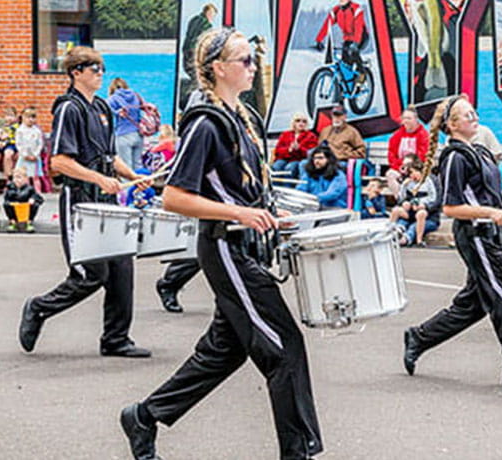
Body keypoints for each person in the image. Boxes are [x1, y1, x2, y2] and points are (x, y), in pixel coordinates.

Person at [120, 28, 324, 460]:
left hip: (246, 245)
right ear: (217, 68)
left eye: (253, 59)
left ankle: (144, 416)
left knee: (222, 353)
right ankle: (297, 452)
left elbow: (239, 188)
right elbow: (174, 196)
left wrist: (268, 213)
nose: (253, 67)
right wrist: (240, 215)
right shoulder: (206, 123)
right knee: (283, 349)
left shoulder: (242, 117)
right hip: (225, 249)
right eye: (244, 60)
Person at [401, 94, 502, 388]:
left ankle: (419, 337)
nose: (475, 118)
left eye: (473, 113)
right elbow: (451, 207)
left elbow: (482, 195)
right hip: (475, 236)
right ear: (453, 125)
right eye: (467, 115)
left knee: (472, 305)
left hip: (488, 233)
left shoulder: (479, 151)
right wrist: (492, 212)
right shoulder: (455, 157)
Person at [18, 46, 152, 359]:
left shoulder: (102, 107)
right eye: (94, 68)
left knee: (121, 267)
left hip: (106, 198)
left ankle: (116, 339)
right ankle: (38, 308)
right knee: (91, 274)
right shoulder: (69, 108)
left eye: (102, 68)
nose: (101, 73)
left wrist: (133, 174)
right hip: (79, 200)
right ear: (76, 72)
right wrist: (97, 179)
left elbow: (110, 156)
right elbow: (59, 162)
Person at [314, 0, 369, 76]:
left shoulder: (356, 9)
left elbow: (358, 28)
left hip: (361, 37)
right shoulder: (336, 11)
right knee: (345, 63)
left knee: (353, 53)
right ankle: (347, 83)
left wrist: (356, 43)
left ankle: (362, 74)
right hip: (348, 39)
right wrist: (319, 40)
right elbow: (327, 25)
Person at [390, 160, 439, 246]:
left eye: (413, 173)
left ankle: (411, 239)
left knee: (415, 223)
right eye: (409, 174)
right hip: (411, 213)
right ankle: (391, 232)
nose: (411, 176)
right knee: (397, 211)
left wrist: (425, 206)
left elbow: (436, 200)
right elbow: (401, 198)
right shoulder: (408, 182)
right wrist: (404, 202)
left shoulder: (431, 181)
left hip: (428, 216)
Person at [386, 107, 430, 192]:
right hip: (400, 168)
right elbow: (391, 154)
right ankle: (400, 199)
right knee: (390, 175)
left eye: (409, 118)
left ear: (416, 120)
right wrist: (399, 166)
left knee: (414, 178)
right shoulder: (397, 135)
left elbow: (423, 155)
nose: (406, 121)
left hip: (416, 169)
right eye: (404, 118)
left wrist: (410, 167)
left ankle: (411, 201)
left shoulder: (423, 135)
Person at [108, 78, 147, 171]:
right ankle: (141, 185)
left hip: (123, 135)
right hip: (138, 135)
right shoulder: (135, 95)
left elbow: (103, 109)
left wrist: (117, 112)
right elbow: (144, 107)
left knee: (126, 168)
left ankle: (128, 186)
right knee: (138, 166)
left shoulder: (113, 98)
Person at [274, 111, 317, 176]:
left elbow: (311, 153)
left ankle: (288, 186)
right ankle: (274, 186)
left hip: (298, 160)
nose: (301, 123)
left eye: (304, 121)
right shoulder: (285, 134)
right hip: (285, 158)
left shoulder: (311, 136)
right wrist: (289, 150)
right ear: (294, 123)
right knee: (276, 167)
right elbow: (278, 150)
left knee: (290, 168)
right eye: (298, 121)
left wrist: (299, 148)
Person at [3, 167, 44, 232]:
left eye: (19, 177)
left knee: (35, 205)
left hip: (25, 208)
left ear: (25, 179)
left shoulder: (29, 189)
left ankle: (29, 222)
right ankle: (12, 222)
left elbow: (39, 198)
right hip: (15, 208)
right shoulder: (10, 188)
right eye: (14, 177)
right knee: (6, 205)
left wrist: (33, 199)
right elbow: (6, 200)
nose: (16, 180)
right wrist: (11, 203)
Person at [14, 107, 44, 178]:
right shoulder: (20, 131)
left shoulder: (37, 131)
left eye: (33, 117)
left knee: (35, 177)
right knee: (23, 175)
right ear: (23, 118)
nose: (30, 119)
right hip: (24, 157)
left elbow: (40, 144)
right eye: (28, 117)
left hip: (35, 157)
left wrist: (35, 155)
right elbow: (19, 144)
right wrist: (25, 155)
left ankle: (36, 189)